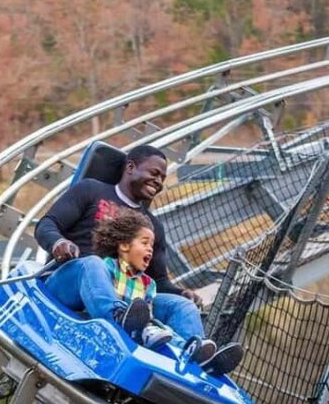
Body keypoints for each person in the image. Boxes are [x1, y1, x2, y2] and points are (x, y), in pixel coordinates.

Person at [35, 144, 243, 376]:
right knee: (93, 264)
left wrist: (180, 293)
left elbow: (159, 280)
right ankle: (118, 318)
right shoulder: (91, 190)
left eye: (163, 178)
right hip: (69, 285)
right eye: (154, 174)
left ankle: (195, 359)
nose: (159, 182)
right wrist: (57, 243)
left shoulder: (152, 226)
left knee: (181, 307)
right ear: (131, 168)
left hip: (125, 294)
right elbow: (47, 224)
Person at [91, 207, 175, 349]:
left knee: (166, 330)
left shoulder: (149, 284)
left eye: (152, 245)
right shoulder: (108, 266)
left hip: (134, 331)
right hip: (107, 322)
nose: (150, 249)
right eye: (144, 243)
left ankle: (189, 349)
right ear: (124, 245)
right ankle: (119, 316)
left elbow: (147, 311)